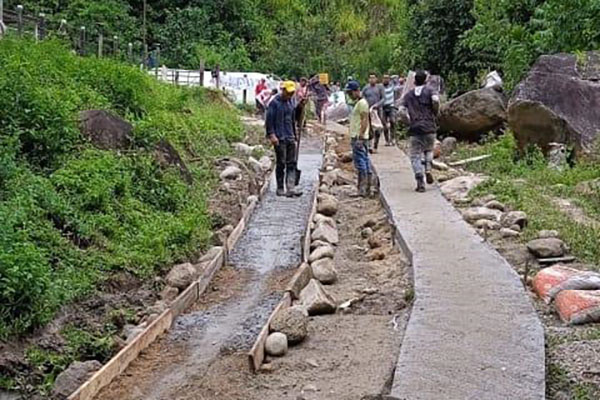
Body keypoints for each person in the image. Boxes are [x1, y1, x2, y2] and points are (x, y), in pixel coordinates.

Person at [399, 70, 441, 193]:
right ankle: (428, 168)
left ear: (414, 81)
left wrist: (408, 121)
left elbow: (401, 111)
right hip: (429, 126)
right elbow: (436, 101)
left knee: (415, 155)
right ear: (426, 80)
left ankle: (419, 179)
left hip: (415, 128)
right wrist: (435, 112)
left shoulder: (408, 95)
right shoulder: (430, 91)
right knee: (429, 149)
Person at [266, 81, 302, 197]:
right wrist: (271, 134)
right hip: (279, 137)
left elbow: (294, 118)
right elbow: (269, 120)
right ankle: (280, 187)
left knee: (291, 163)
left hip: (290, 135)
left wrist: (301, 106)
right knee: (281, 162)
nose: (290, 95)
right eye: (288, 93)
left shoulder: (291, 102)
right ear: (283, 90)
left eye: (292, 93)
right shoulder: (274, 103)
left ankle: (290, 187)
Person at [345, 80, 372, 197]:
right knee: (364, 160)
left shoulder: (362, 104)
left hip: (358, 137)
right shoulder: (359, 103)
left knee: (360, 162)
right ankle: (367, 188)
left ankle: (362, 189)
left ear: (357, 91)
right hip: (359, 136)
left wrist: (360, 136)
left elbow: (365, 120)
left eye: (351, 93)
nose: (350, 95)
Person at [362, 73, 385, 152]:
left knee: (378, 129)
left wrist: (377, 105)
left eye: (373, 78)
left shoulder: (380, 88)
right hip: (368, 110)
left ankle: (375, 145)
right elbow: (362, 97)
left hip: (378, 110)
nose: (372, 79)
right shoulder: (366, 88)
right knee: (369, 128)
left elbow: (383, 98)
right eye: (370, 78)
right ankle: (369, 145)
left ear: (376, 79)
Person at [381, 74, 397, 146]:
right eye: (384, 78)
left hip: (391, 106)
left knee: (393, 121)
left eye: (387, 78)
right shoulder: (380, 87)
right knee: (385, 125)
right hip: (383, 107)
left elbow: (397, 79)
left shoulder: (392, 86)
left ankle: (393, 138)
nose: (386, 80)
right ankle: (387, 140)